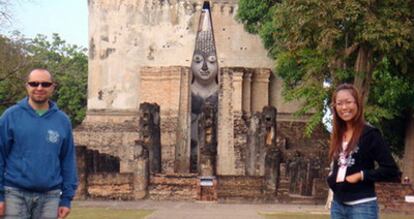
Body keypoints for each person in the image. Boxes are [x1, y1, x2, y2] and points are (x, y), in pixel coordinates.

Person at [0, 69, 78, 219]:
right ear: (27, 86)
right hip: (14, 194)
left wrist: (66, 199)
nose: (40, 88)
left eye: (45, 84)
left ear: (53, 87)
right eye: (34, 83)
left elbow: (67, 161)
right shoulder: (11, 116)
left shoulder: (62, 121)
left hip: (50, 197)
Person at [327, 83, 400, 219]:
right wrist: (331, 178)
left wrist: (361, 175)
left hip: (362, 207)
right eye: (339, 103)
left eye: (348, 102)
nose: (344, 107)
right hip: (337, 205)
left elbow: (391, 170)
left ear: (358, 104)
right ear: (335, 107)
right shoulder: (337, 134)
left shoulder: (370, 134)